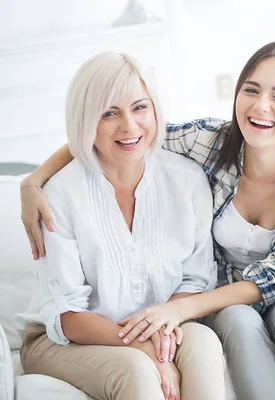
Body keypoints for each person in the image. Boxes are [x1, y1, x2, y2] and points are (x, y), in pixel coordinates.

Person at [20, 41, 275, 400]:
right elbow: (123, 135)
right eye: (251, 90)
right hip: (220, 302)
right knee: (236, 321)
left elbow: (274, 279)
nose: (261, 106)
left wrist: (177, 310)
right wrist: (33, 181)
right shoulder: (208, 143)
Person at [15, 51, 226, 400]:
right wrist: (146, 349)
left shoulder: (187, 180)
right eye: (109, 113)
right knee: (136, 368)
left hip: (160, 326)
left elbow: (195, 280)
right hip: (64, 340)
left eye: (140, 107)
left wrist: (160, 329)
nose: (129, 126)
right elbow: (67, 314)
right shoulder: (59, 194)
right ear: (85, 121)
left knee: (202, 340)